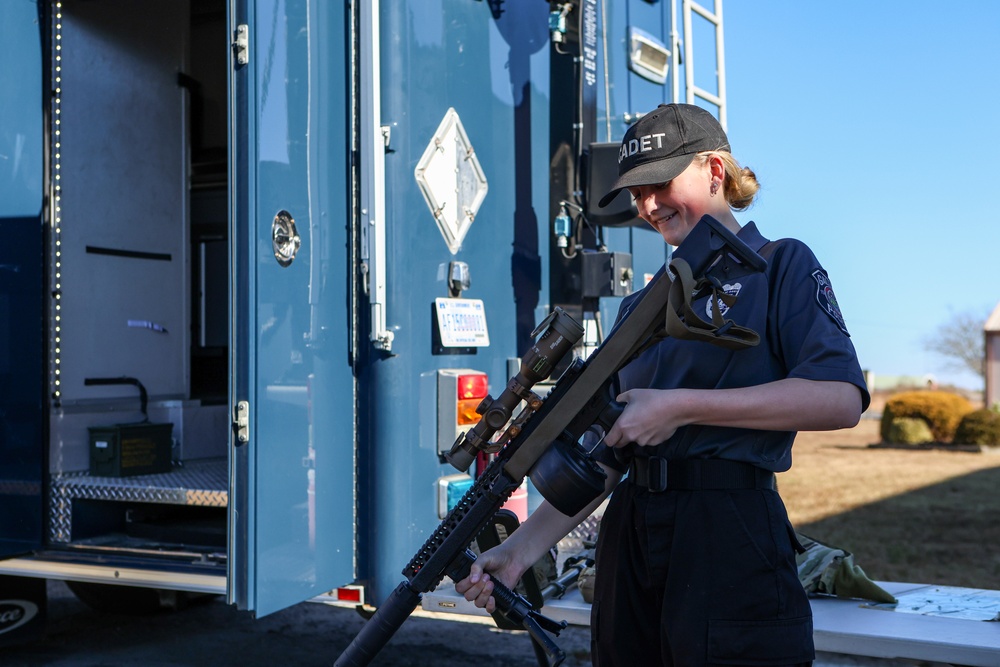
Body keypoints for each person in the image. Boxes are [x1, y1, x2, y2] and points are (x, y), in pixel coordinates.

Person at [455, 103, 871, 666]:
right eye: (635, 193)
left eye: (660, 183)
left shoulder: (781, 267)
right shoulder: (639, 307)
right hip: (631, 536)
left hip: (729, 529)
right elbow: (605, 458)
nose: (648, 205)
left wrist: (680, 407)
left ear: (714, 172)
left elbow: (840, 397)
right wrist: (520, 551)